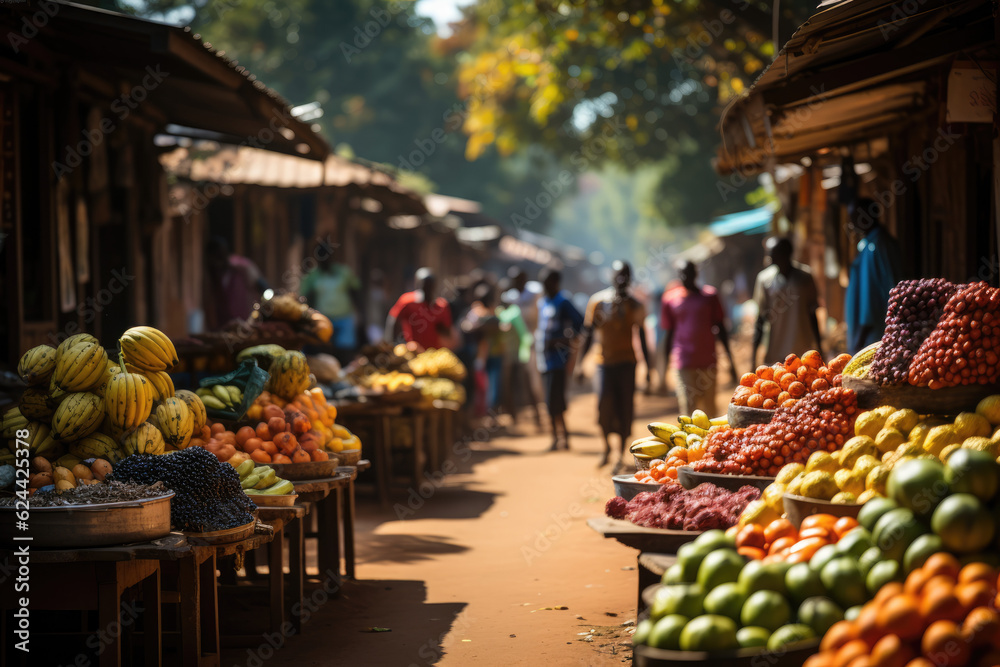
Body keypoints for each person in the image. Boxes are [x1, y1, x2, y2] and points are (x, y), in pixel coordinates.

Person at [577, 261, 652, 472]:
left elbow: (643, 336)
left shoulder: (636, 305)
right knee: (604, 404)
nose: (621, 280)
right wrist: (579, 365)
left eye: (625, 276)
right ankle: (606, 447)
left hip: (627, 363)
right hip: (603, 364)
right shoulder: (598, 302)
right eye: (618, 275)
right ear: (611, 276)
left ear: (630, 278)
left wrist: (648, 369)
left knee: (625, 407)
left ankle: (620, 453)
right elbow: (588, 333)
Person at [660, 261, 739, 418]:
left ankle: (710, 442)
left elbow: (721, 328)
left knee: (709, 409)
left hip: (708, 362)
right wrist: (663, 369)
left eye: (688, 273)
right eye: (682, 274)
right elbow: (668, 333)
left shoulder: (709, 296)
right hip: (684, 362)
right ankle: (690, 443)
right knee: (688, 409)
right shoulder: (670, 300)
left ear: (695, 274)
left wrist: (731, 361)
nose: (685, 277)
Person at [751, 237, 825, 368]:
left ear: (787, 253)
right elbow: (760, 319)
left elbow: (812, 313)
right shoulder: (764, 280)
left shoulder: (805, 277)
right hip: (775, 352)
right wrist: (753, 357)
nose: (770, 257)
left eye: (774, 254)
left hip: (802, 350)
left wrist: (820, 347)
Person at [844, 198, 903, 353]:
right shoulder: (871, 244)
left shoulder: (875, 248)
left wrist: (860, 338)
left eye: (855, 217)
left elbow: (870, 296)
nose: (852, 223)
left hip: (873, 334)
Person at [536, 268, 584, 451]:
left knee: (555, 400)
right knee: (548, 401)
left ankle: (562, 436)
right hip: (544, 359)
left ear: (555, 283)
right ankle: (557, 436)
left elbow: (579, 324)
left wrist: (563, 342)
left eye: (547, 282)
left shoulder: (563, 302)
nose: (544, 286)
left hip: (557, 360)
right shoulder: (543, 302)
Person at [300, 251, 361, 361]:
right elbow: (305, 296)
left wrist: (360, 313)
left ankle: (343, 372)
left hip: (344, 317)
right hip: (323, 318)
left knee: (345, 349)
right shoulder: (313, 275)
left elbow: (355, 292)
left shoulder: (343, 272)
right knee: (323, 349)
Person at [203, 236, 268, 330]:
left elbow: (260, 284)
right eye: (214, 257)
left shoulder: (242, 267)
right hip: (225, 328)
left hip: (247, 325)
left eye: (220, 255)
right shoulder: (211, 277)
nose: (217, 261)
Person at [385, 268, 457, 350]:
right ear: (417, 285)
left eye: (429, 286)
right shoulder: (408, 302)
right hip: (412, 350)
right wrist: (392, 345)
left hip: (434, 352)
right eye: (424, 285)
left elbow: (447, 331)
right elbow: (393, 320)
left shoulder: (441, 306)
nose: (426, 289)